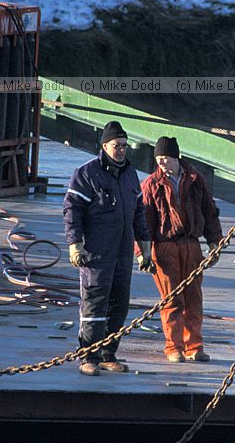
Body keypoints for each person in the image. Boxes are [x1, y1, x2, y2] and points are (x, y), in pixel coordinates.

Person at [63, 121, 152, 376]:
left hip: (122, 253)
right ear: (104, 146)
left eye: (124, 146)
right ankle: (87, 356)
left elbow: (138, 215)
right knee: (94, 305)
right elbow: (72, 211)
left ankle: (107, 354)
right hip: (96, 253)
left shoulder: (130, 174)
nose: (121, 150)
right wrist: (75, 245)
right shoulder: (87, 174)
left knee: (118, 305)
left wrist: (145, 251)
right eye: (117, 146)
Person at [138, 136, 223, 363]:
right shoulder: (150, 185)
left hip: (191, 245)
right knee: (171, 300)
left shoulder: (196, 180)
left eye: (165, 158)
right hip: (164, 247)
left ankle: (194, 346)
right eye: (158, 159)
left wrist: (214, 242)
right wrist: (143, 254)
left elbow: (209, 212)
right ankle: (173, 347)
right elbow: (142, 223)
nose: (161, 163)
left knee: (194, 298)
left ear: (176, 157)